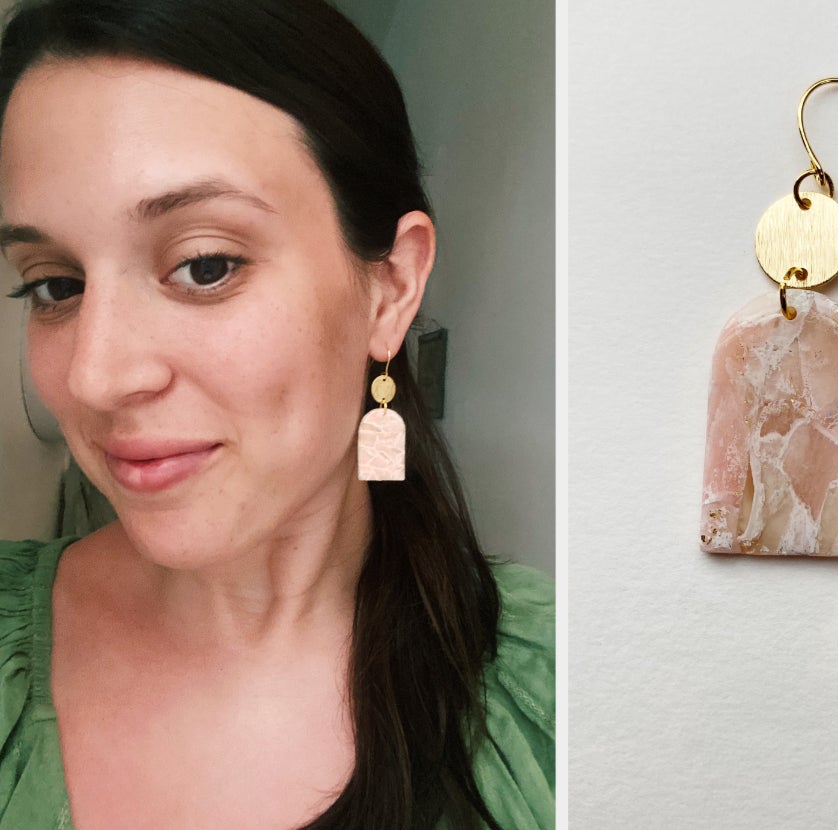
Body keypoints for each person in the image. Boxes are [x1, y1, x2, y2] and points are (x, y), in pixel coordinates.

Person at [0, 0, 554, 827]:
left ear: (390, 288)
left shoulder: (558, 688)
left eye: (204, 265)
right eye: (56, 285)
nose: (95, 375)